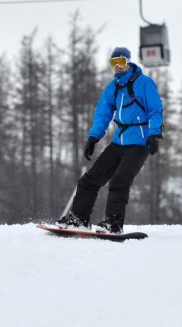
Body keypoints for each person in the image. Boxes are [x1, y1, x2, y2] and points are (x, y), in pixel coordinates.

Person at [56, 47, 163, 233]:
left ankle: (113, 223)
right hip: (119, 142)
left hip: (139, 142)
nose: (118, 67)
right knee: (89, 180)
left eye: (121, 62)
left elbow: (155, 109)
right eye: (114, 64)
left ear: (128, 62)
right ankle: (79, 218)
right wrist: (93, 137)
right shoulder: (112, 87)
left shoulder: (144, 83)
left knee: (120, 180)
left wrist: (154, 133)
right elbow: (103, 113)